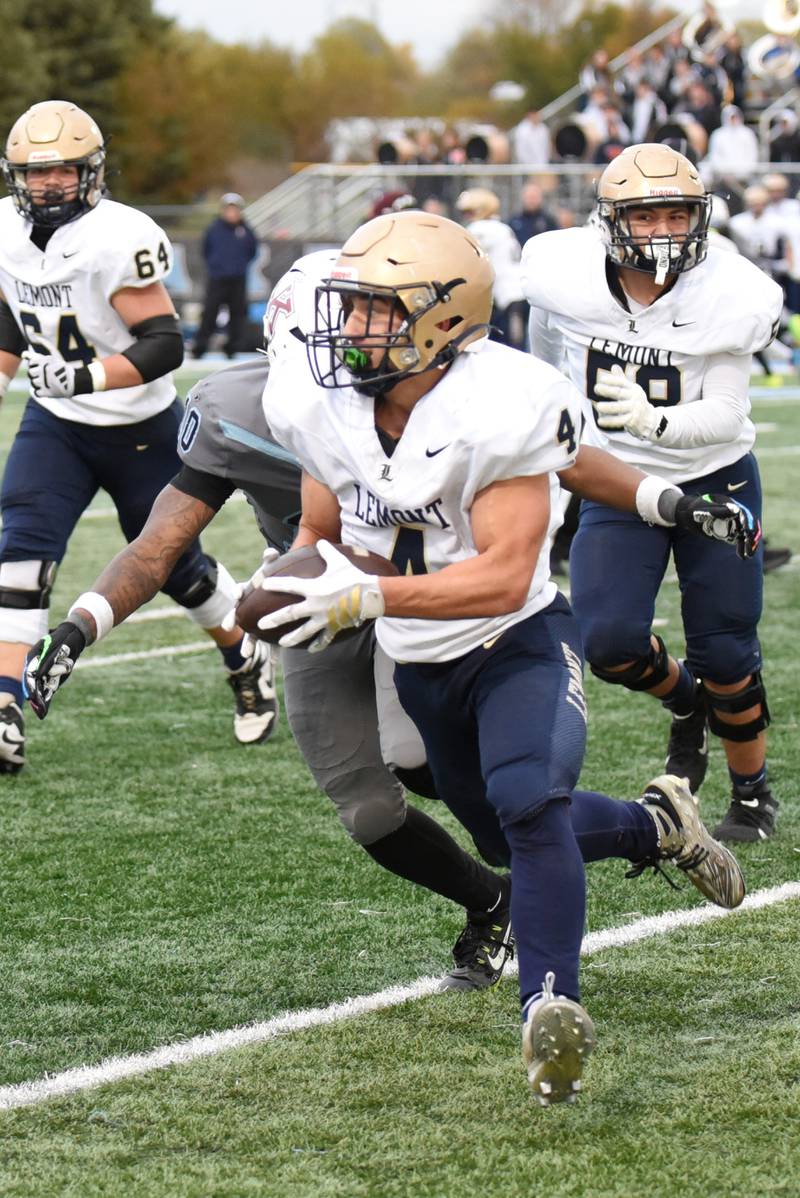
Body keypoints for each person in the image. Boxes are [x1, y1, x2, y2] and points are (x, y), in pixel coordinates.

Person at [24, 248, 754, 1011]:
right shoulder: (262, 407)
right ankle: (521, 885)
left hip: (446, 597)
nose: (339, 354)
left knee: (506, 799)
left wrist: (666, 501)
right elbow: (176, 540)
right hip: (321, 595)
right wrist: (82, 624)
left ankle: (577, 930)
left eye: (355, 330)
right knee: (398, 811)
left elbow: (566, 464)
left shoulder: (471, 392)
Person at [251, 211, 745, 1104]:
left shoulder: (504, 400)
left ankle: (549, 1007)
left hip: (512, 639)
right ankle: (658, 826)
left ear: (441, 320)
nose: (348, 332)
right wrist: (297, 584)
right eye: (349, 310)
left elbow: (502, 573)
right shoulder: (315, 401)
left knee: (527, 800)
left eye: (372, 313)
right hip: (422, 661)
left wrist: (366, 596)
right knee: (501, 832)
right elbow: (323, 533)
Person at [0, 100, 275, 772]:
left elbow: (164, 344)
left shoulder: (119, 235)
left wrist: (86, 377)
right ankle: (5, 705)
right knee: (20, 551)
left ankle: (242, 653)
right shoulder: (5, 229)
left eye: (63, 171)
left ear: (91, 171)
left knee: (175, 568)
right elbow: (12, 323)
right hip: (56, 422)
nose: (49, 186)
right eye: (35, 175)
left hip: (140, 427)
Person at [521, 142, 783, 844]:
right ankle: (686, 702)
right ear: (611, 221)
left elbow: (728, 414)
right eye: (648, 215)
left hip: (715, 476)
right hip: (619, 481)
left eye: (678, 213)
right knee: (608, 643)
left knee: (727, 647)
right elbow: (540, 362)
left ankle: (752, 792)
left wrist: (654, 419)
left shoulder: (732, 291)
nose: (665, 230)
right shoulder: (562, 275)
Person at [455, 188, 526, 349]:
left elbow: (465, 255)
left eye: (469, 212)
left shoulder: (481, 229)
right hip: (516, 290)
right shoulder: (501, 227)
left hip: (506, 295)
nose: (467, 216)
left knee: (509, 347)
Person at [191, 193, 258, 360]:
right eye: (228, 209)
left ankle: (232, 348)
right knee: (210, 312)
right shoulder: (214, 229)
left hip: (238, 279)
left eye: (235, 209)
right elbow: (206, 250)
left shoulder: (246, 231)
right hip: (218, 278)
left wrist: (239, 267)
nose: (232, 213)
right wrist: (216, 266)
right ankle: (200, 347)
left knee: (238, 313)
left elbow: (252, 252)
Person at [508, 182, 557, 248]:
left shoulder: (549, 221)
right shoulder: (514, 221)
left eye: (534, 197)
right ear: (523, 198)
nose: (532, 201)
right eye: (529, 197)